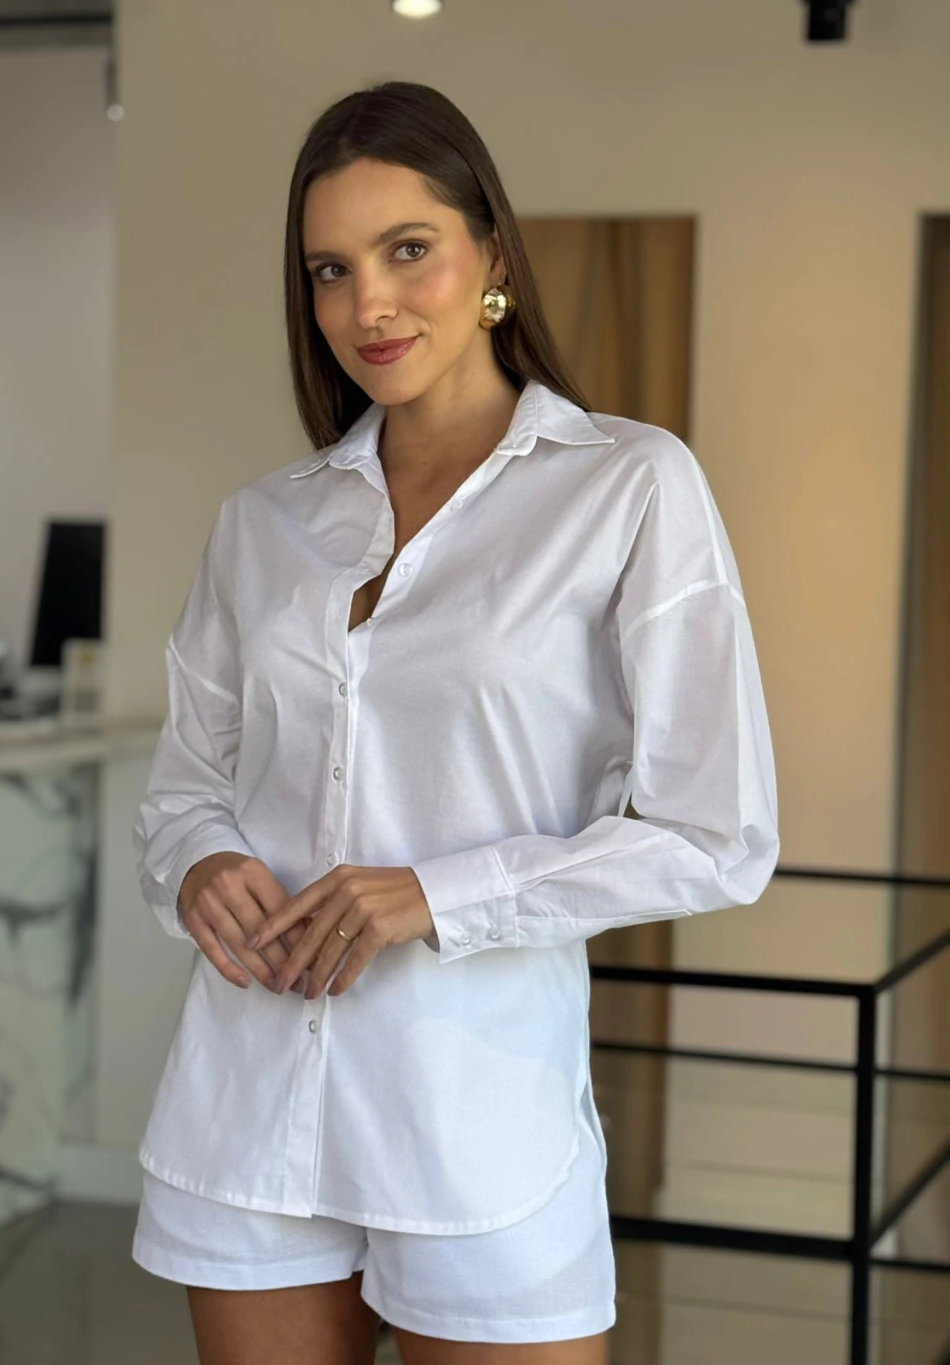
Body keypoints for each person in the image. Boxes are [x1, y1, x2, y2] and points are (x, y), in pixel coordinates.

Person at [130, 80, 780, 1365]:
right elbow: (183, 787)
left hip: (477, 1120)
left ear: (491, 254)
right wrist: (198, 861)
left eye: (406, 250)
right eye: (330, 270)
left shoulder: (627, 487)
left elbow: (717, 836)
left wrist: (434, 895)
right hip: (245, 1105)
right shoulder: (262, 524)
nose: (366, 304)